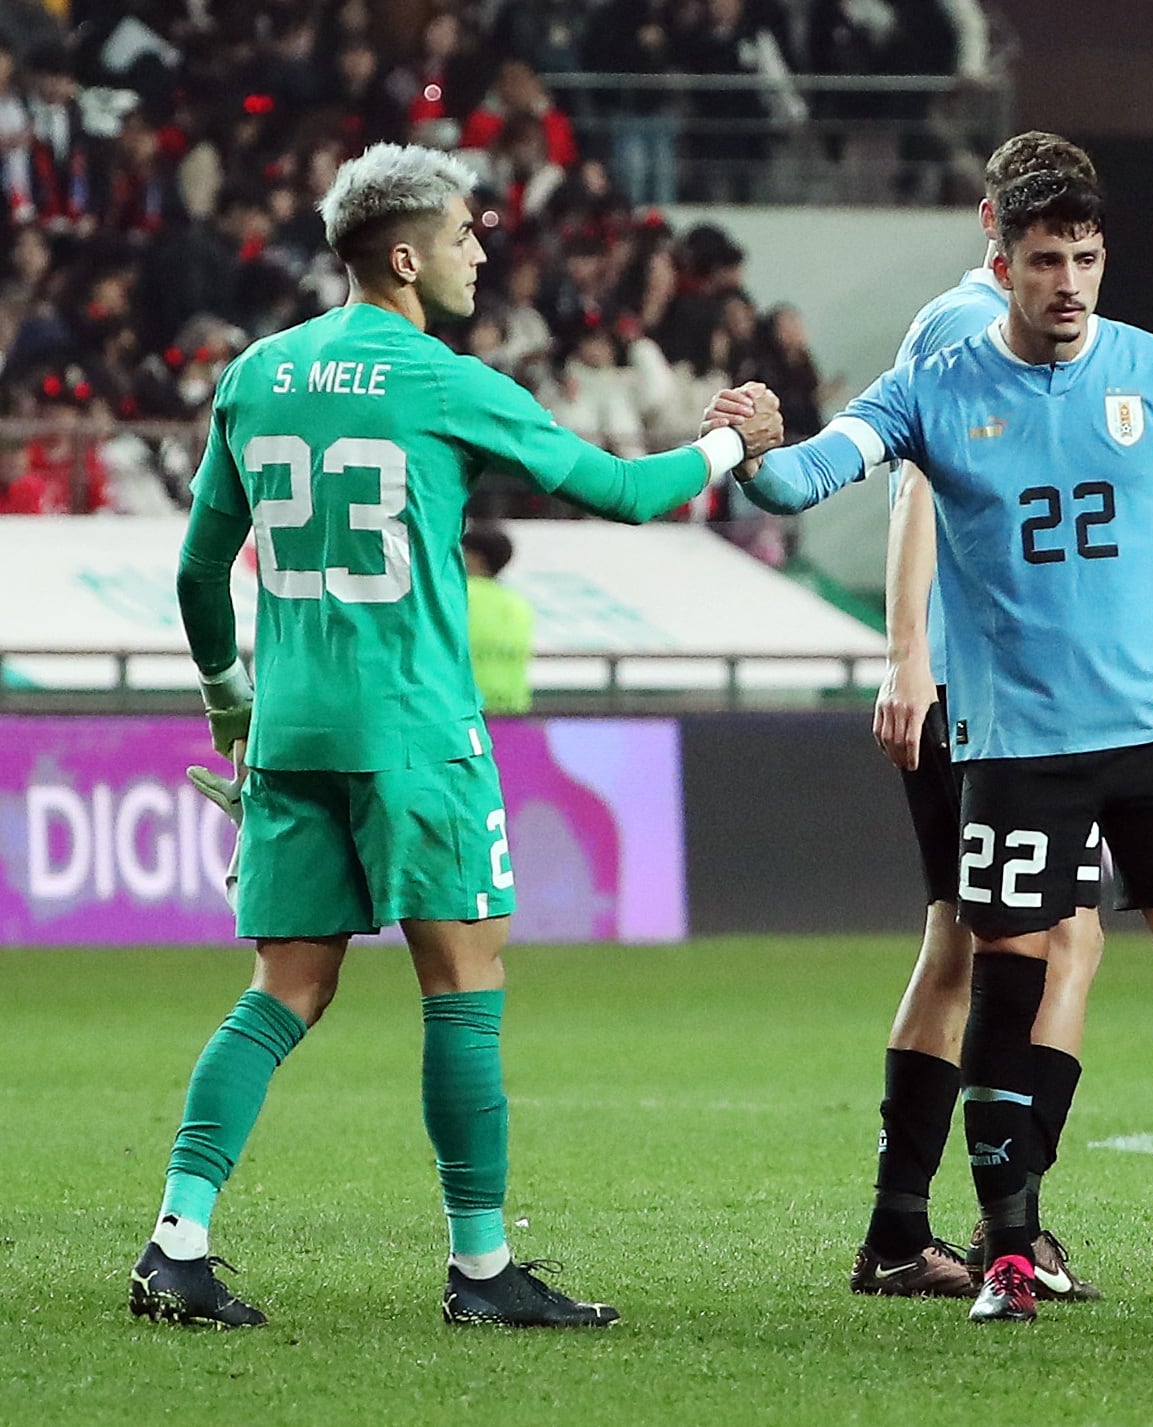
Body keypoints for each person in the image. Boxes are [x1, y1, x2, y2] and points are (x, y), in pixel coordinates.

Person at [130, 142, 784, 1330]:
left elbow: (194, 570)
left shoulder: (258, 372)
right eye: (462, 235)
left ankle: (177, 1238)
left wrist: (231, 700)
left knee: (284, 984)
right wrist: (739, 439)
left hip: (291, 728)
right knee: (464, 981)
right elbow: (632, 494)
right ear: (402, 254)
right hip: (417, 730)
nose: (480, 250)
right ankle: (482, 1268)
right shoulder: (438, 377)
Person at [716, 168, 1153, 1324]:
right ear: (1003, 264)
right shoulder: (936, 382)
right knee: (1006, 975)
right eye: (1047, 260)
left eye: (1087, 258)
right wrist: (757, 448)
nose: (1070, 283)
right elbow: (807, 480)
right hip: (1021, 748)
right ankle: (1005, 1247)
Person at [845, 131, 1108, 1304]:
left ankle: (929, 1226)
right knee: (1023, 939)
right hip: (973, 693)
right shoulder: (966, 326)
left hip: (1009, 691)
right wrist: (910, 658)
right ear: (994, 230)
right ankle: (1002, 1223)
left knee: (1001, 937)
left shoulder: (988, 321)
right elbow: (912, 487)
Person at [463, 522, 534, 716]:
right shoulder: (519, 603)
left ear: (474, 558)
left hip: (467, 709)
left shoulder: (457, 595)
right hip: (512, 708)